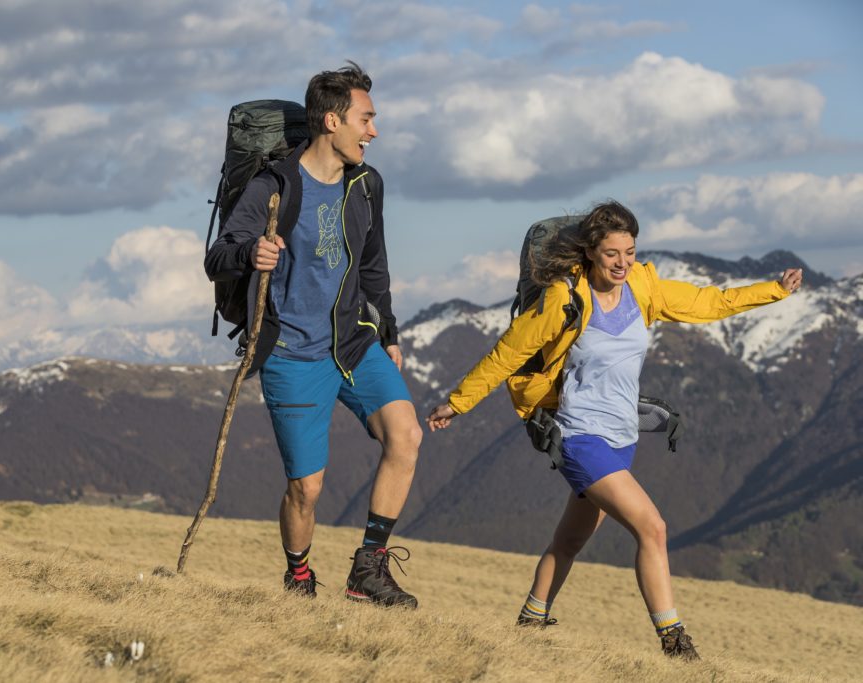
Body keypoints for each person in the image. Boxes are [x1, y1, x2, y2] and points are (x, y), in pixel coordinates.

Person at [426, 201, 802, 658]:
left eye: (629, 251)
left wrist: (773, 291)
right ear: (590, 253)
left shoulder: (643, 287)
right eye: (611, 253)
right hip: (580, 435)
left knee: (569, 541)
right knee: (653, 528)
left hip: (623, 437)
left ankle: (529, 622)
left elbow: (708, 302)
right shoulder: (563, 299)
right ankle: (674, 641)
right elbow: (508, 353)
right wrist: (458, 402)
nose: (622, 262)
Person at [204, 62, 422, 607]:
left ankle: (368, 570)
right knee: (307, 489)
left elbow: (374, 266)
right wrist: (250, 253)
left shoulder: (366, 186)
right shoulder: (273, 185)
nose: (373, 131)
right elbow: (217, 257)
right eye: (366, 119)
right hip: (292, 356)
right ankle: (298, 576)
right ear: (332, 120)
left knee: (406, 436)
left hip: (353, 343)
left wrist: (388, 331)